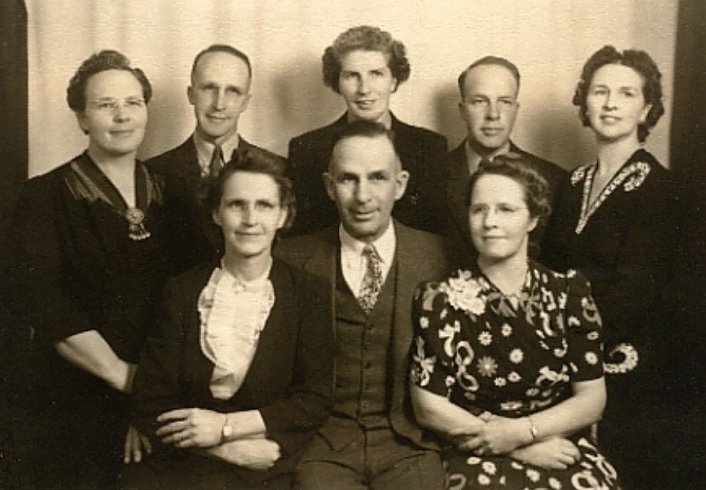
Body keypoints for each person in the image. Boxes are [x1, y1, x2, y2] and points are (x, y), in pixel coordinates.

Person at [4, 50, 169, 489]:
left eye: (133, 103)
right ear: (81, 118)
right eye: (105, 105)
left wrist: (150, 395)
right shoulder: (43, 197)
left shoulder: (172, 192)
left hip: (157, 392)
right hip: (74, 398)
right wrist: (125, 379)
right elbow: (46, 303)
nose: (121, 116)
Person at [121, 152, 334, 489]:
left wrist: (227, 427)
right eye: (237, 205)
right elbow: (151, 400)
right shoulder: (182, 291)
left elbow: (314, 399)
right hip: (184, 463)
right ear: (217, 214)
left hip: (265, 459)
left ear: (283, 216)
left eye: (264, 205)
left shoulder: (309, 293)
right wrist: (224, 447)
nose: (250, 219)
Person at [411, 156, 619, 489]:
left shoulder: (568, 293)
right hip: (474, 451)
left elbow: (592, 399)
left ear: (533, 218)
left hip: (558, 445)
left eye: (506, 209)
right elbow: (429, 407)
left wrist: (524, 432)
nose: (490, 221)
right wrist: (517, 448)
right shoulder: (439, 299)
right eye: (479, 210)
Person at [276, 120, 450, 490]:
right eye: (348, 179)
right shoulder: (292, 259)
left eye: (377, 178)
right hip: (323, 444)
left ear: (399, 185)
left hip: (408, 445)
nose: (362, 196)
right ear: (328, 186)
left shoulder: (439, 257)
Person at [542, 45, 677, 489]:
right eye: (600, 91)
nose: (610, 103)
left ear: (647, 110)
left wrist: (567, 348)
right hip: (561, 356)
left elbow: (636, 291)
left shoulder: (659, 188)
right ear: (584, 103)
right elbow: (546, 272)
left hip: (625, 365)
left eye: (626, 93)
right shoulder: (572, 182)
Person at [288, 25, 447, 235]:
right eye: (352, 76)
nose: (364, 89)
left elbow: (435, 234)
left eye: (376, 74)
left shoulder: (430, 147)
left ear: (394, 80)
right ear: (337, 82)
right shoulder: (307, 149)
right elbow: (305, 235)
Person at [147, 44, 286, 273]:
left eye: (232, 91)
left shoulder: (279, 170)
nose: (219, 104)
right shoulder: (153, 172)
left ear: (245, 102)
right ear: (191, 94)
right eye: (209, 88)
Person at [447, 56, 566, 264]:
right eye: (479, 101)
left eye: (504, 102)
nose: (493, 114)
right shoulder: (431, 175)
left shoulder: (555, 180)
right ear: (462, 110)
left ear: (516, 110)